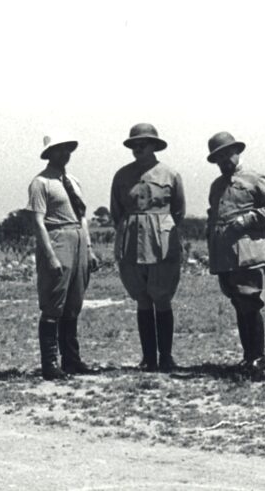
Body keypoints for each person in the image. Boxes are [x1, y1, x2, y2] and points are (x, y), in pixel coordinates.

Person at [110, 123, 186, 373]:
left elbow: (179, 211)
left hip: (162, 242)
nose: (137, 148)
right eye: (133, 144)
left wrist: (159, 227)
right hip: (132, 242)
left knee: (161, 297)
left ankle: (166, 357)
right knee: (141, 298)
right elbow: (116, 212)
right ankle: (148, 358)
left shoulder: (170, 174)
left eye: (143, 143)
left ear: (154, 145)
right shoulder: (122, 176)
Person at [204, 132, 265, 381]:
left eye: (227, 153)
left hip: (249, 252)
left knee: (251, 304)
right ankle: (248, 357)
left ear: (237, 151)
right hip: (225, 256)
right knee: (238, 304)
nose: (224, 160)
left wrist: (247, 219)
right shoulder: (216, 186)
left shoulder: (255, 178)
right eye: (218, 157)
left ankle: (258, 359)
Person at [26, 132, 100, 380]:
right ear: (49, 154)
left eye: (68, 149)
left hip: (78, 238)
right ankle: (50, 364)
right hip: (57, 239)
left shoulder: (73, 181)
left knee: (74, 303)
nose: (64, 154)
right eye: (59, 150)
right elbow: (38, 221)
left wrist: (89, 248)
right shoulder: (40, 183)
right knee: (53, 303)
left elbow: (82, 216)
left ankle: (72, 360)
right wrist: (50, 256)